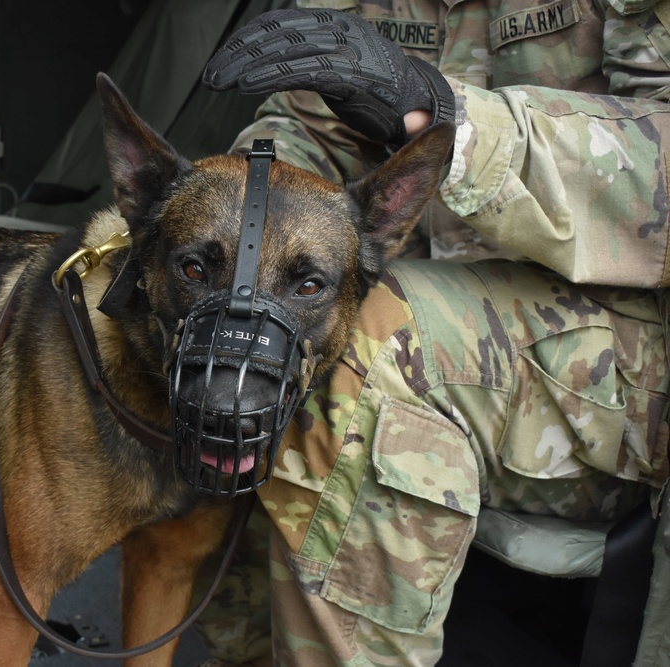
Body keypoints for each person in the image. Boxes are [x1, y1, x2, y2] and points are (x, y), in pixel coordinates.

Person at [196, 3, 670, 665]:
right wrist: (224, 228)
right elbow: (311, 133)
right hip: (456, 310)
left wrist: (445, 118)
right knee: (238, 327)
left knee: (370, 341)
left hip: (630, 357)